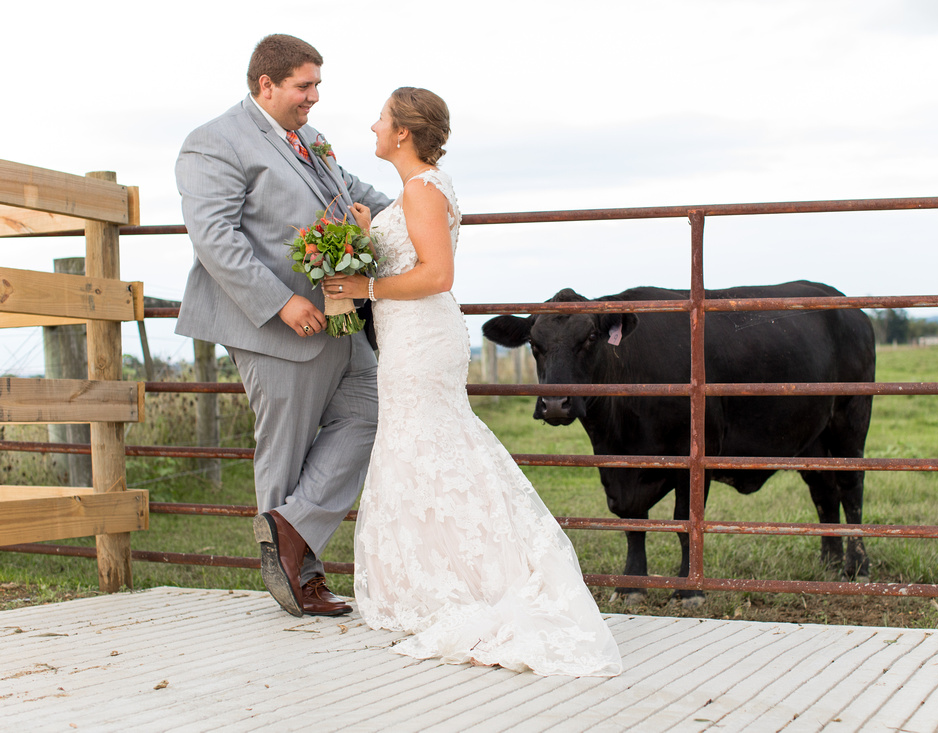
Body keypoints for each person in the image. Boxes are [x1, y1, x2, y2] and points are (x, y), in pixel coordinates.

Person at [323, 87, 622, 676]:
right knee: (420, 449)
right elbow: (407, 246)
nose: (373, 127)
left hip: (421, 340)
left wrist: (365, 288)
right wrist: (367, 229)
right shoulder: (419, 190)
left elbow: (437, 273)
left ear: (403, 133)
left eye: (381, 119)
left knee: (433, 445)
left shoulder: (424, 190)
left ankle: (470, 580)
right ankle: (428, 573)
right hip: (409, 338)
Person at [174, 34, 390, 618]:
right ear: (265, 84)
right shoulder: (212, 143)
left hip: (340, 320)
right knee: (285, 450)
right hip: (275, 326)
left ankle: (289, 532)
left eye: (317, 84)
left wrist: (423, 199)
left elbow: (360, 195)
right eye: (304, 85)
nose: (314, 97)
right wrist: (280, 304)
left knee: (373, 412)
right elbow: (215, 238)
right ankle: (298, 580)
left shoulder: (312, 140)